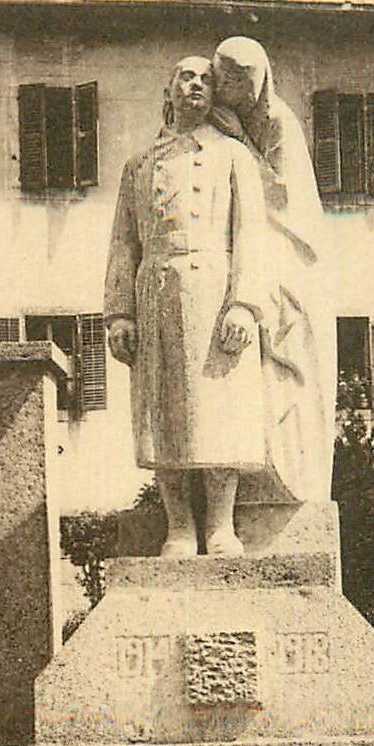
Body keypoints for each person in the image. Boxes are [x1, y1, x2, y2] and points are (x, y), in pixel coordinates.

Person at [104, 56, 273, 557]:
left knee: (219, 411)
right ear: (170, 89)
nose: (196, 85)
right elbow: (122, 242)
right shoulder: (139, 164)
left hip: (215, 294)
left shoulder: (233, 157)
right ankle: (179, 526)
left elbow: (252, 234)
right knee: (165, 416)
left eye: (205, 79)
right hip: (156, 292)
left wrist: (245, 304)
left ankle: (221, 526)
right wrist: (119, 313)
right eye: (186, 77)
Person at [210, 36, 335, 505]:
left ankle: (287, 471)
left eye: (240, 79)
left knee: (283, 350)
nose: (230, 88)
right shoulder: (214, 124)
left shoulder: (278, 122)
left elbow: (284, 196)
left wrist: (240, 142)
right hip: (237, 251)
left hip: (285, 247)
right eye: (224, 78)